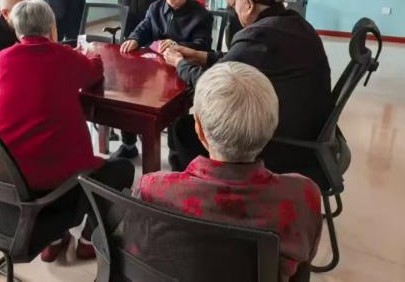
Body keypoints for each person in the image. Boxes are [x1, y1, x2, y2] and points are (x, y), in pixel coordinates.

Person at [132, 62, 322, 282]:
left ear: (199, 131)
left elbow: (138, 255)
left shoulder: (152, 190)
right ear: (272, 128)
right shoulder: (303, 196)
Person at [0, 0, 134, 261]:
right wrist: (88, 55)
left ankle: (55, 237)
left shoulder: (4, 58)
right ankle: (88, 240)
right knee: (123, 169)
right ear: (52, 28)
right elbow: (94, 72)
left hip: (11, 173)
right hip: (58, 178)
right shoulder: (63, 56)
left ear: (17, 30)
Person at [163, 0, 333, 178]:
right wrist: (199, 55)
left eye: (236, 1)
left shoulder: (259, 35)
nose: (233, 6)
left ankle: (198, 190)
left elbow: (211, 84)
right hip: (310, 134)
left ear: (249, 5)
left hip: (283, 145)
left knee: (182, 129)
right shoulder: (293, 23)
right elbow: (240, 60)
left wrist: (179, 63)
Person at [113, 0, 213, 160]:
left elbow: (203, 47)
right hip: (154, 69)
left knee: (173, 106)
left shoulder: (201, 15)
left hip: (182, 70)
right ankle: (129, 144)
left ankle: (175, 153)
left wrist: (178, 46)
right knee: (128, 91)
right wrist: (134, 38)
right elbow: (144, 28)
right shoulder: (156, 7)